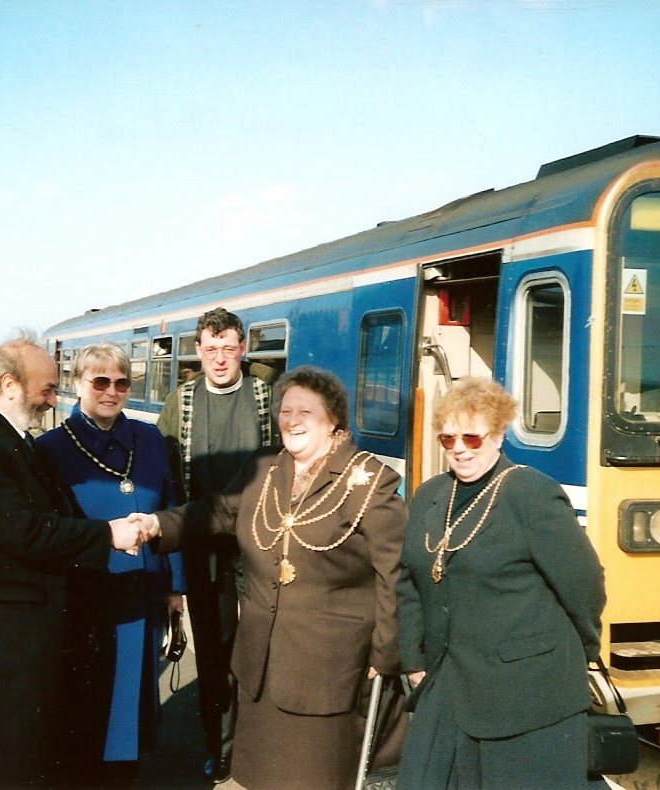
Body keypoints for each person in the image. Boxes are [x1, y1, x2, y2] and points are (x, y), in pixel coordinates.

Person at [140, 366, 407, 790]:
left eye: (307, 411)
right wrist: (154, 526)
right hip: (263, 661)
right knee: (262, 776)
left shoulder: (370, 481)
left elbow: (395, 574)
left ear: (334, 418)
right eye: (286, 410)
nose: (293, 420)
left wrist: (386, 653)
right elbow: (216, 512)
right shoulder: (263, 469)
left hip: (328, 668)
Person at [0, 334, 150, 790]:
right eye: (46, 388)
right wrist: (109, 534)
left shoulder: (6, 437)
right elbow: (24, 530)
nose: (52, 398)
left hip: (9, 634)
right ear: (9, 385)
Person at [395, 377, 607, 790]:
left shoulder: (531, 493)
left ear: (498, 434)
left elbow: (584, 585)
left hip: (526, 692)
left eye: (472, 437)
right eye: (448, 438)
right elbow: (409, 582)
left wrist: (573, 654)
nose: (459, 448)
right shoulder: (429, 495)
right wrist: (413, 658)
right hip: (448, 680)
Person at [35, 343, 186, 788]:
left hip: (142, 591)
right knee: (88, 702)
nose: (112, 391)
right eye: (100, 382)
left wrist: (175, 587)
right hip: (86, 596)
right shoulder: (50, 448)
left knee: (133, 700)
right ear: (77, 384)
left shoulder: (150, 439)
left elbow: (172, 508)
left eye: (122, 383)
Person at [154, 307, 275, 784]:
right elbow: (165, 480)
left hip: (260, 547)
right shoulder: (178, 402)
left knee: (266, 644)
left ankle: (260, 741)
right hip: (203, 551)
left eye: (229, 349)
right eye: (211, 350)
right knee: (214, 649)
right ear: (198, 351)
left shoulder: (268, 396)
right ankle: (219, 746)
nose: (220, 359)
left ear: (242, 350)